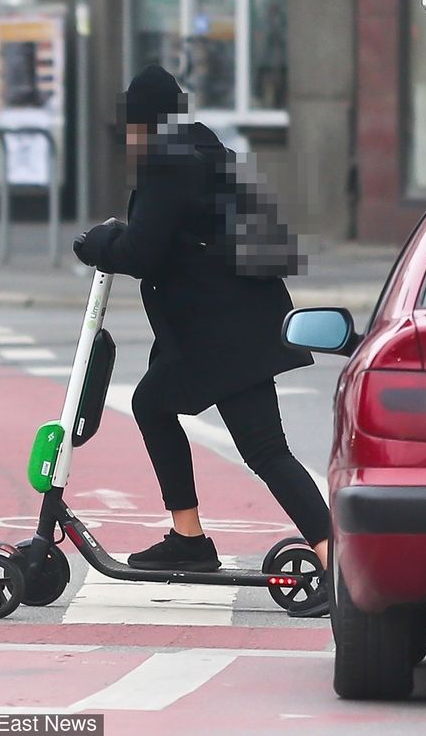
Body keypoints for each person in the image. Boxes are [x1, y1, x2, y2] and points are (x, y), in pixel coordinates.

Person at [72, 65, 330, 614]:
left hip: (223, 332)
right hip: (223, 324)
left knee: (262, 449)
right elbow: (171, 234)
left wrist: (96, 244)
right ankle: (189, 539)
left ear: (141, 123)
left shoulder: (167, 163)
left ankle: (333, 555)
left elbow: (144, 253)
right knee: (154, 405)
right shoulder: (199, 149)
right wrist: (124, 233)